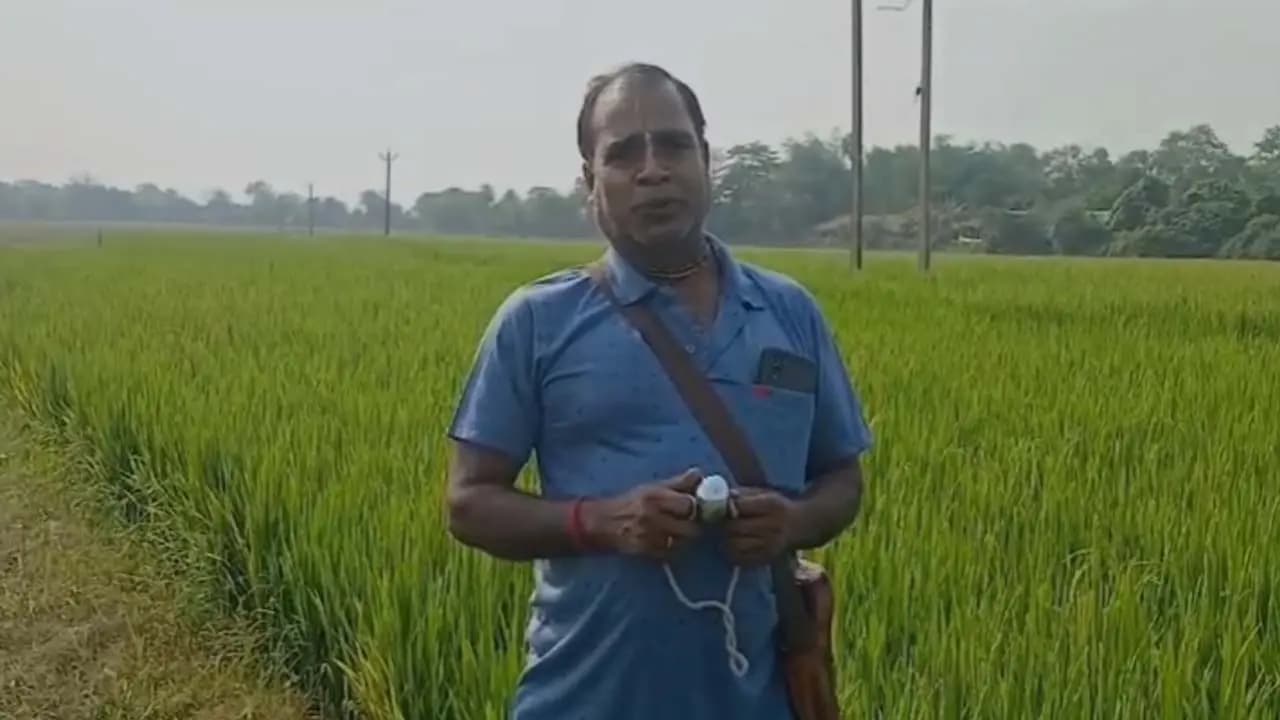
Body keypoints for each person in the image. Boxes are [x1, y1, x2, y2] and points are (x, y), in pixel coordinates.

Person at [446, 62, 873, 720]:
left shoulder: (790, 314)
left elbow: (842, 479)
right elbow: (469, 503)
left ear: (706, 159)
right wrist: (603, 522)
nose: (653, 170)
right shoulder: (537, 322)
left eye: (674, 145)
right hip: (584, 702)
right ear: (590, 182)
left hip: (758, 702)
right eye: (623, 154)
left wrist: (791, 522)